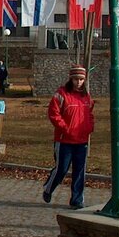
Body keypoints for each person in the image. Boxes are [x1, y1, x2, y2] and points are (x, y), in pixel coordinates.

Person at [42, 65, 94, 209]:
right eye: (76, 79)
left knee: (79, 170)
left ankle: (77, 199)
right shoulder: (61, 94)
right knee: (62, 169)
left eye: (81, 79)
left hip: (82, 140)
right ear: (71, 79)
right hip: (64, 140)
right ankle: (49, 188)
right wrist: (65, 128)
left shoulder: (86, 97)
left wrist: (89, 127)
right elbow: (54, 114)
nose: (79, 82)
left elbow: (90, 114)